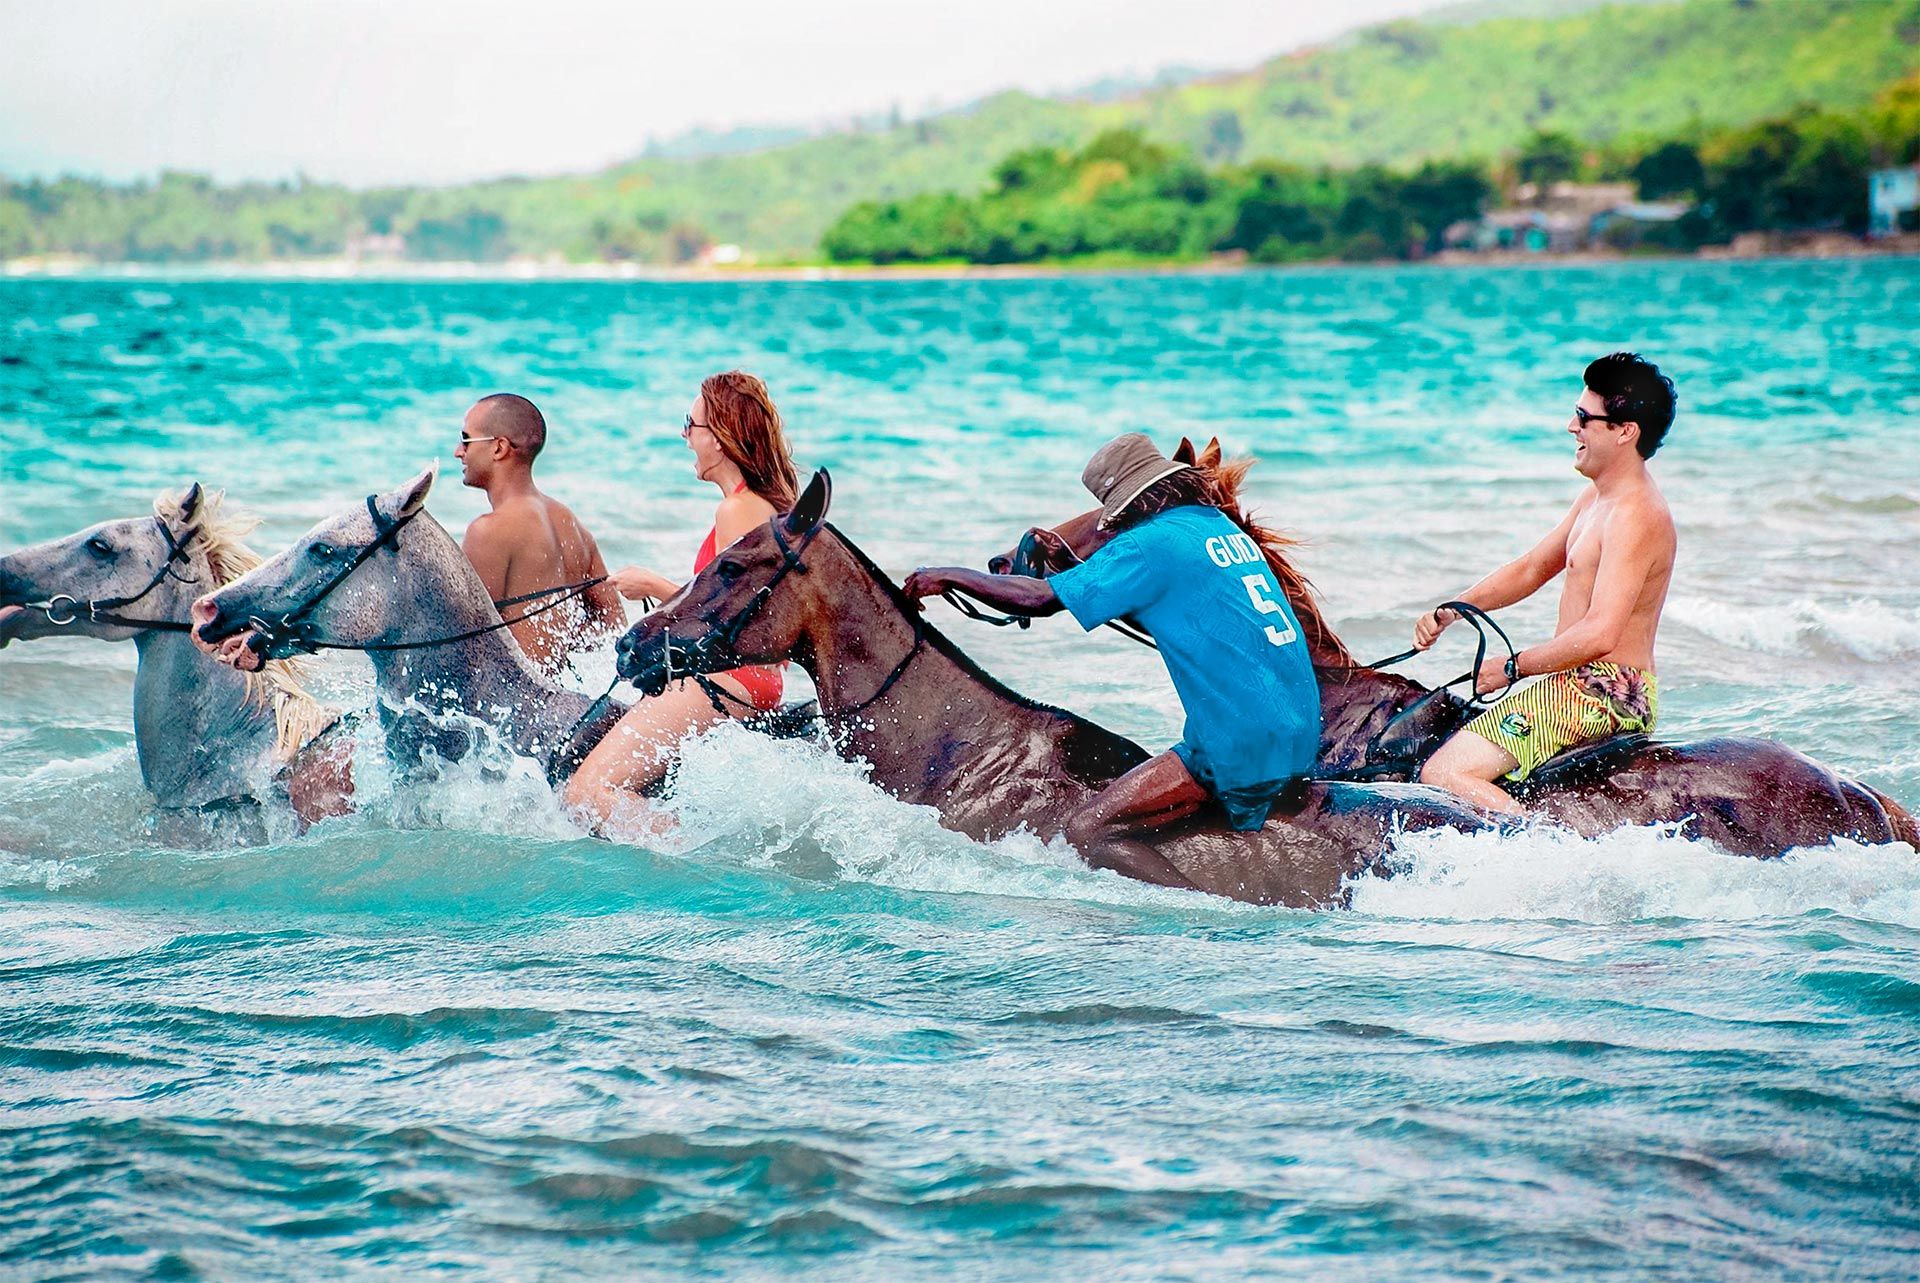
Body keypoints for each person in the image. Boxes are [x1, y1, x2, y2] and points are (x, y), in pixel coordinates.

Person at [902, 433, 1322, 888]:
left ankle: (1199, 915)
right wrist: (1078, 570)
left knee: (1088, 830)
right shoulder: (1216, 528)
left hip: (1241, 744)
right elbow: (1182, 606)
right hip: (1301, 733)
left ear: (1128, 508)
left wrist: (950, 575)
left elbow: (1039, 599)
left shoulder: (1146, 545)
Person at [1413, 352, 1678, 814]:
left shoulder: (1637, 515)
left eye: (1582, 416)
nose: (1569, 426)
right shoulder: (1598, 496)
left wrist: (1512, 668)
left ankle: (1545, 856)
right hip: (1571, 683)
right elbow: (1534, 567)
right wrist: (1455, 609)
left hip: (1602, 693)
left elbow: (1601, 634)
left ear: (1624, 431)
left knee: (1445, 774)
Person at [565, 371, 799, 836]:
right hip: (750, 676)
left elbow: (735, 623)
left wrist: (653, 583)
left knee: (587, 794)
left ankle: (690, 857)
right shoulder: (753, 504)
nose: (684, 437)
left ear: (720, 437)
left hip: (736, 676)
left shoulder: (739, 509)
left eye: (689, 425)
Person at [455, 393, 625, 675]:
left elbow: (464, 644)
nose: (458, 451)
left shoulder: (488, 530)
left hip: (513, 704)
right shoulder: (571, 524)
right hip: (560, 697)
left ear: (499, 448)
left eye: (466, 439)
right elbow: (613, 626)